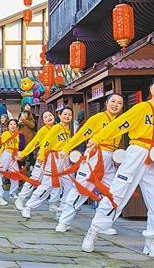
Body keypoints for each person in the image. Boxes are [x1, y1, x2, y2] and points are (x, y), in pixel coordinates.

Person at [82, 75, 154, 257]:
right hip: (137, 152)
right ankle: (94, 231)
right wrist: (98, 138)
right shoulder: (141, 107)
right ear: (151, 88)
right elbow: (119, 124)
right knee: (117, 192)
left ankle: (151, 241)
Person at [55, 93, 124, 234]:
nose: (115, 105)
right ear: (106, 103)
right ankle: (64, 221)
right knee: (81, 188)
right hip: (94, 155)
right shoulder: (98, 118)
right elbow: (82, 134)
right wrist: (67, 148)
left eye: (119, 103)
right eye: (113, 101)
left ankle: (102, 224)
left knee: (113, 191)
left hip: (110, 158)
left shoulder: (121, 121)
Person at [19, 107, 74, 219]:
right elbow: (46, 143)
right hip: (54, 158)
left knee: (69, 186)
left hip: (65, 160)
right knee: (47, 185)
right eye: (65, 114)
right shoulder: (56, 128)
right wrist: (41, 156)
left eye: (69, 114)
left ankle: (61, 209)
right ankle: (28, 206)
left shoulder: (67, 129)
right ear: (59, 115)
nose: (67, 116)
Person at [14, 110, 56, 211]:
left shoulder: (57, 128)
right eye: (45, 117)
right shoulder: (43, 130)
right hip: (43, 158)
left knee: (56, 181)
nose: (49, 118)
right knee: (34, 179)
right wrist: (23, 153)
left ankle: (53, 203)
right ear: (43, 121)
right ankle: (20, 198)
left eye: (50, 115)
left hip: (56, 159)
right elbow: (34, 143)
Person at [0, 118, 22, 199]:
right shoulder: (5, 134)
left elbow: (17, 146)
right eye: (11, 124)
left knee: (15, 174)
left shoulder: (17, 135)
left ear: (17, 126)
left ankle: (13, 192)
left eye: (14, 124)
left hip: (14, 155)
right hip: (6, 154)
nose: (12, 126)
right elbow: (0, 144)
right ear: (8, 126)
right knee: (0, 172)